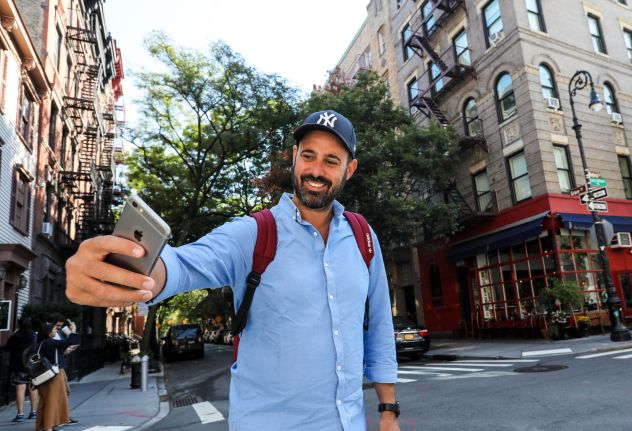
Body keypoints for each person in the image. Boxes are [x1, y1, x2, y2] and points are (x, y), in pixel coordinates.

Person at [66, 110, 400, 430]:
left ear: (349, 169)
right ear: (294, 156)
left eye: (331, 161)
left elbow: (381, 327)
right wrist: (139, 272)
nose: (316, 170)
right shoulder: (253, 234)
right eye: (309, 155)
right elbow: (183, 264)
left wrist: (388, 410)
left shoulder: (363, 236)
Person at [35, 321, 79, 431]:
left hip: (44, 375)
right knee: (52, 400)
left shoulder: (43, 342)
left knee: (44, 401)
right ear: (48, 332)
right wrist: (73, 330)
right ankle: (48, 427)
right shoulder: (50, 342)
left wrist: (65, 352)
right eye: (54, 329)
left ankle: (42, 426)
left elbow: (55, 355)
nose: (56, 330)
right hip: (53, 375)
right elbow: (71, 341)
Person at [3, 317, 38, 422]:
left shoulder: (15, 336)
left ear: (19, 325)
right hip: (31, 365)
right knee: (33, 387)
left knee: (20, 388)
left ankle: (20, 414)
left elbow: (7, 348)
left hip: (18, 366)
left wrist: (13, 335)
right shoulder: (33, 335)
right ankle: (33, 412)